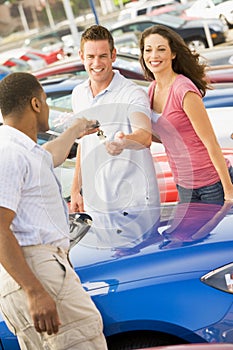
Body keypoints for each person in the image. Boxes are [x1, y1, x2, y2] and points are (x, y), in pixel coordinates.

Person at [0, 72, 108, 350]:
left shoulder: (20, 149)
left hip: (25, 271)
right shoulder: (10, 153)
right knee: (86, 340)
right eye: (46, 101)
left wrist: (74, 130)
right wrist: (35, 290)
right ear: (36, 104)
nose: (47, 108)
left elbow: (51, 155)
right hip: (35, 269)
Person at [70, 25, 160, 226]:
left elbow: (144, 135)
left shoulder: (132, 93)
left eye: (103, 56)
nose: (96, 63)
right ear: (81, 56)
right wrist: (75, 190)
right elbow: (82, 145)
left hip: (135, 205)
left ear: (113, 55)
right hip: (97, 206)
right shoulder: (78, 94)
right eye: (90, 56)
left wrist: (123, 141)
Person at [139, 24, 233, 204]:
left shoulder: (183, 89)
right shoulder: (152, 90)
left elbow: (210, 142)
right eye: (148, 50)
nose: (153, 56)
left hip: (212, 184)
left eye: (161, 49)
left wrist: (228, 189)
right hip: (184, 185)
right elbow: (167, 136)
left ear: (173, 53)